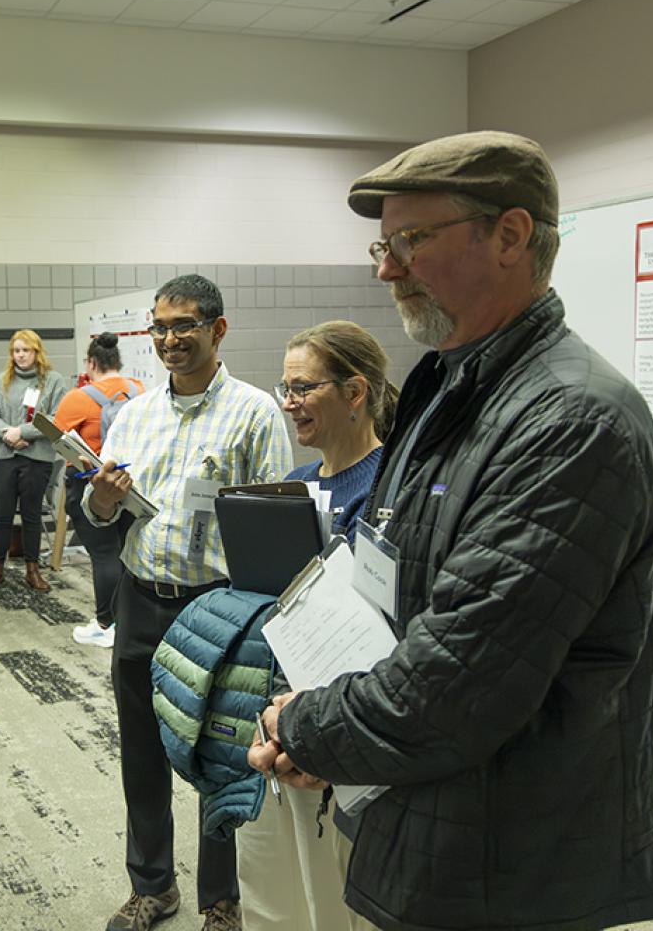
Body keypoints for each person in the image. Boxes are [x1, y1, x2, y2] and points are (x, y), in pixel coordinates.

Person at [248, 132, 653, 931]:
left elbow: (457, 683)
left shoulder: (572, 421)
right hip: (436, 816)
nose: (387, 269)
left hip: (515, 863)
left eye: (411, 240)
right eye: (383, 246)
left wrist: (305, 727)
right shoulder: (450, 387)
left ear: (510, 235)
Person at [84, 274, 294, 931]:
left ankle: (221, 900)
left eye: (184, 326)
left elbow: (273, 526)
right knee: (141, 753)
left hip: (217, 609)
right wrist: (102, 499)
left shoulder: (255, 414)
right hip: (141, 599)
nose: (170, 339)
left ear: (217, 330)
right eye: (160, 327)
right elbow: (99, 513)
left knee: (219, 755)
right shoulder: (135, 414)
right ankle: (152, 886)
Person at [237, 321, 397, 931]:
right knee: (278, 891)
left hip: (342, 718)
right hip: (277, 716)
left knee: (338, 896)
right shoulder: (296, 487)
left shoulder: (391, 488)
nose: (289, 403)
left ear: (355, 392)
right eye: (286, 388)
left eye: (303, 388)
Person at [52, 331, 145, 648]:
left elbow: (59, 440)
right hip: (130, 484)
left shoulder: (78, 398)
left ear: (91, 362)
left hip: (90, 484)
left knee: (103, 555)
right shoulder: (139, 391)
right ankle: (127, 618)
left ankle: (106, 625)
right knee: (126, 554)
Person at [0, 329, 67, 593]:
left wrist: (23, 432)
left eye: (26, 350)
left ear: (36, 352)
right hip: (5, 456)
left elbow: (56, 419)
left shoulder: (53, 381)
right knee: (2, 514)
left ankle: (32, 570)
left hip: (37, 458)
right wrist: (8, 433)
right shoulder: (2, 380)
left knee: (31, 515)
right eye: (16, 351)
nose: (20, 355)